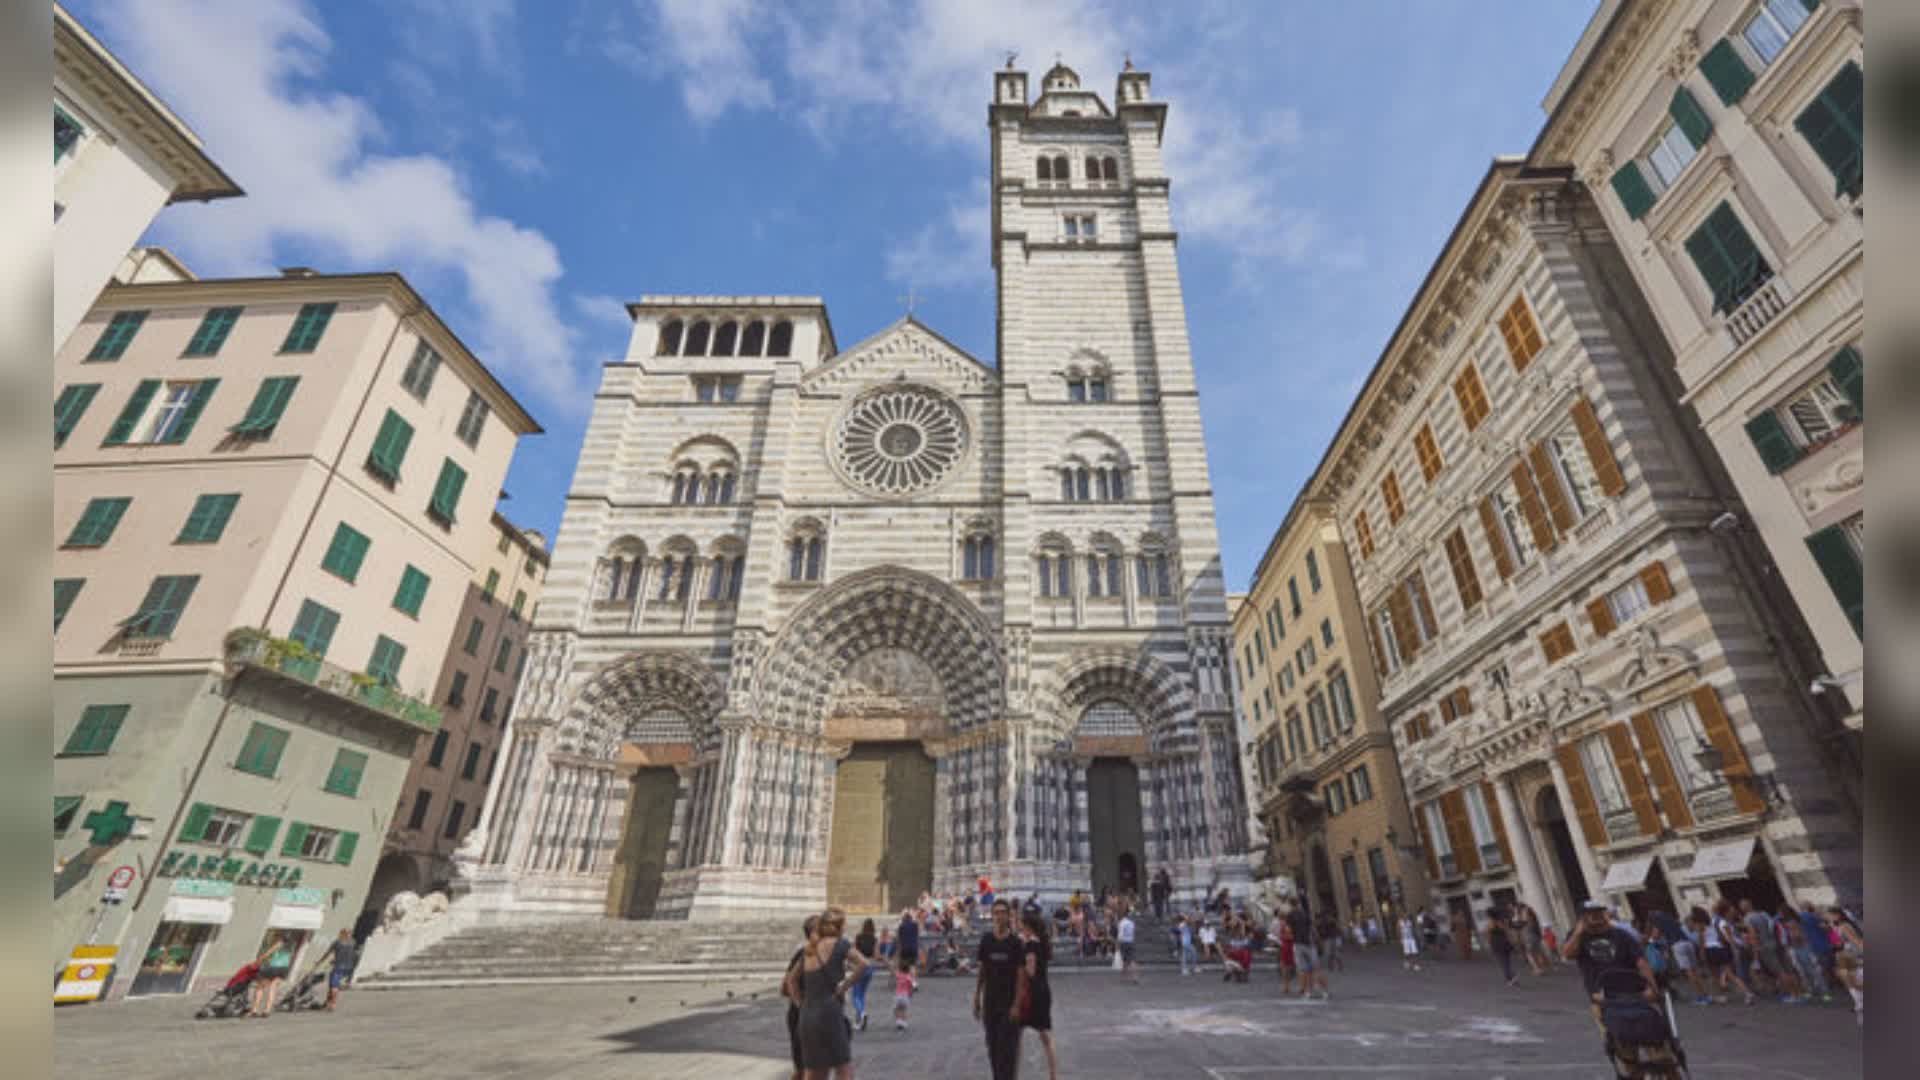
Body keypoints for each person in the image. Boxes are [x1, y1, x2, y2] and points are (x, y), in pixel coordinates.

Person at [785, 907, 867, 1080]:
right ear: (838, 926)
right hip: (830, 1012)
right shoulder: (840, 944)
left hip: (807, 1015)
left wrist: (800, 1003)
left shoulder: (809, 949)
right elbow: (864, 964)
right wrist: (844, 986)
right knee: (843, 1068)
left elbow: (791, 980)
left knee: (814, 1071)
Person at [1562, 900, 1658, 1021]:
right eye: (1591, 913)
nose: (1597, 916)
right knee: (1614, 1034)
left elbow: (1641, 962)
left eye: (1599, 912)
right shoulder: (1578, 937)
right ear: (1583, 917)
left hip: (1632, 992)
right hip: (1601, 996)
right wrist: (1578, 933)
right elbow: (1568, 954)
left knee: (1647, 1029)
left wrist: (1652, 987)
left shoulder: (1621, 935)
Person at [974, 899, 1025, 1080]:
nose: (999, 916)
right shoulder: (986, 940)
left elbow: (1021, 976)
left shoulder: (1016, 943)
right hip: (990, 1001)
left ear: (1009, 915)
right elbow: (982, 970)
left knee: (1008, 1048)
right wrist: (976, 998)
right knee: (993, 1045)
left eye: (1003, 912)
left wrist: (1017, 1004)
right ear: (992, 915)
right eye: (996, 912)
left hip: (1009, 1002)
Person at [1018, 910, 1059, 1080]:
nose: (1021, 931)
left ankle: (1013, 1075)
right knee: (1046, 1037)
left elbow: (1030, 971)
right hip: (1043, 991)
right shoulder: (1043, 942)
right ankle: (1053, 1076)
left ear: (1029, 928)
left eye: (1022, 928)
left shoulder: (1031, 945)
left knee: (1016, 1036)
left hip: (1031, 993)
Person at [785, 915, 820, 1080]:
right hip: (802, 1016)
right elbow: (786, 986)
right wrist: (801, 1004)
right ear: (812, 933)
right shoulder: (803, 955)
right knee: (804, 1068)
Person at [1826, 906, 1864, 1022]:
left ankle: (1860, 1003)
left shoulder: (1844, 926)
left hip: (1851, 955)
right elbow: (1839, 942)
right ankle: (1859, 1004)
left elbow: (1856, 941)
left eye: (1829, 915)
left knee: (1854, 981)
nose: (1827, 917)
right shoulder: (1837, 926)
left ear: (1837, 915)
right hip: (1844, 956)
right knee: (1849, 980)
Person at [249, 933, 294, 1017]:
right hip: (283, 969)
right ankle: (267, 1010)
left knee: (260, 987)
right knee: (273, 989)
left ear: (281, 938)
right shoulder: (290, 947)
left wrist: (257, 961)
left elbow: (267, 954)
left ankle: (254, 1010)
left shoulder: (279, 944)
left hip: (273, 968)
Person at [1289, 903, 1326, 999]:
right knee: (1316, 969)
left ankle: (1308, 992)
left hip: (1298, 944)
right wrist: (1319, 942)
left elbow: (1290, 932)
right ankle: (1323, 991)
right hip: (1310, 944)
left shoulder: (1291, 917)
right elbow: (1314, 931)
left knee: (1305, 970)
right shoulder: (1307, 917)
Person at [315, 928, 358, 1011]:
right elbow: (353, 955)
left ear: (342, 933)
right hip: (348, 967)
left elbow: (327, 953)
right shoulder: (352, 943)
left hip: (338, 966)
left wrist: (319, 962)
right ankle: (328, 1002)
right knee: (333, 984)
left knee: (334, 986)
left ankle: (332, 1004)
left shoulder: (337, 942)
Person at [851, 918, 878, 1031]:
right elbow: (876, 955)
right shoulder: (874, 939)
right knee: (861, 994)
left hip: (859, 966)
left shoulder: (858, 937)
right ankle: (858, 1022)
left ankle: (862, 1014)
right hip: (870, 966)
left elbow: (853, 951)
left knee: (855, 995)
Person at [1487, 906, 1517, 987]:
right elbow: (1507, 931)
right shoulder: (1501, 921)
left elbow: (1489, 935)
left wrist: (1489, 944)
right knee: (1507, 960)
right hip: (1504, 942)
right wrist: (1512, 941)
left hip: (1496, 943)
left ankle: (1510, 978)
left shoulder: (1490, 923)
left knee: (1502, 962)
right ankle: (1511, 975)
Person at [896, 908, 921, 985]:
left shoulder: (901, 926)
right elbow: (918, 934)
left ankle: (904, 981)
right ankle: (914, 982)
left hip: (904, 948)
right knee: (912, 965)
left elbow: (898, 938)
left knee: (903, 965)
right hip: (913, 947)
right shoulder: (915, 925)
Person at [891, 953, 914, 1031]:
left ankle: (898, 1021)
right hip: (906, 996)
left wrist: (892, 965)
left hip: (898, 995)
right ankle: (904, 1022)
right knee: (904, 1009)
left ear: (900, 969)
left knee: (896, 1009)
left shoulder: (899, 975)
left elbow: (894, 972)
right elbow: (911, 987)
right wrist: (911, 994)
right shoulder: (909, 977)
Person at [1116, 905, 1138, 984]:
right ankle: (1130, 977)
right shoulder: (1132, 923)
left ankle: (1126, 977)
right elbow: (1133, 933)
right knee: (1130, 960)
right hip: (1131, 942)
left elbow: (1120, 935)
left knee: (1125, 960)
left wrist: (1117, 945)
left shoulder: (1122, 923)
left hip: (1124, 943)